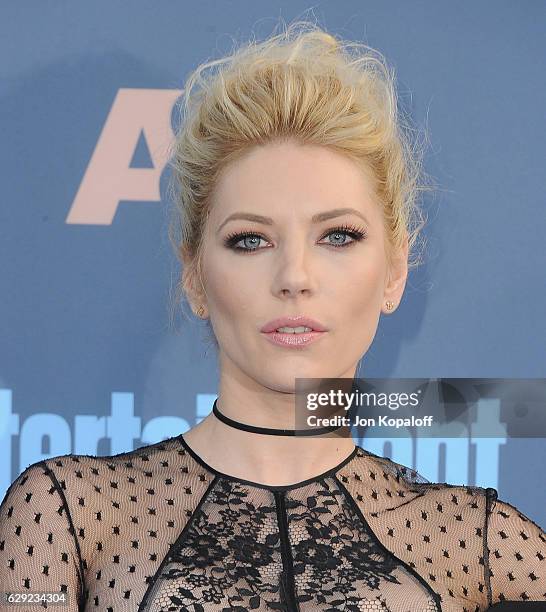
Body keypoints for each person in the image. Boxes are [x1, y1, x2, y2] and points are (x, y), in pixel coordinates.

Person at [1, 20, 544, 612]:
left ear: (395, 272)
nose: (295, 277)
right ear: (194, 276)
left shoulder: (477, 540)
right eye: (250, 241)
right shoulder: (72, 512)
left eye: (337, 236)